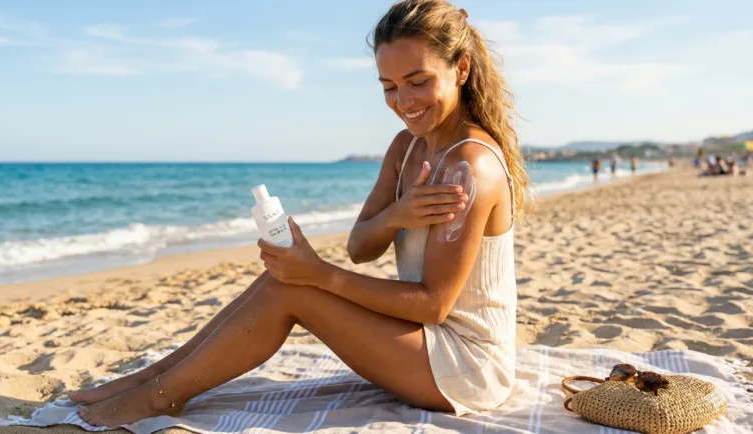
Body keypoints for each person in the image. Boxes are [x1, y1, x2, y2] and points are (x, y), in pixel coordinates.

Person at [69, 0, 529, 426]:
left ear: (461, 67)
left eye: (418, 81)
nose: (404, 101)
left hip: (467, 365)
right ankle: (148, 380)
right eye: (389, 87)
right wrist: (397, 215)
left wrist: (318, 275)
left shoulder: (471, 167)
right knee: (284, 280)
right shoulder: (406, 147)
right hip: (425, 340)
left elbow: (434, 305)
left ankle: (159, 397)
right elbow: (359, 248)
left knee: (295, 290)